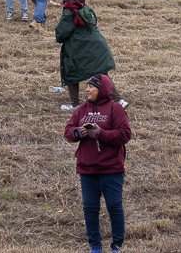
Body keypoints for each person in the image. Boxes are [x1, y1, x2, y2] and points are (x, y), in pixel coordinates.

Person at [63, 74, 131, 253]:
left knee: (114, 207)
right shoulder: (81, 110)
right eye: (86, 87)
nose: (87, 90)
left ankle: (117, 246)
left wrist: (101, 133)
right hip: (87, 169)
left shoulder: (115, 109)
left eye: (91, 87)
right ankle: (95, 246)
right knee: (90, 209)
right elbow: (68, 131)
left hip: (111, 169)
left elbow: (125, 135)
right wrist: (78, 132)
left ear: (103, 90)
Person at [56, 0, 127, 112]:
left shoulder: (69, 12)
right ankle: (119, 100)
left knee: (71, 73)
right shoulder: (88, 9)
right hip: (99, 47)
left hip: (80, 51)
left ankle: (75, 104)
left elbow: (60, 34)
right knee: (102, 74)